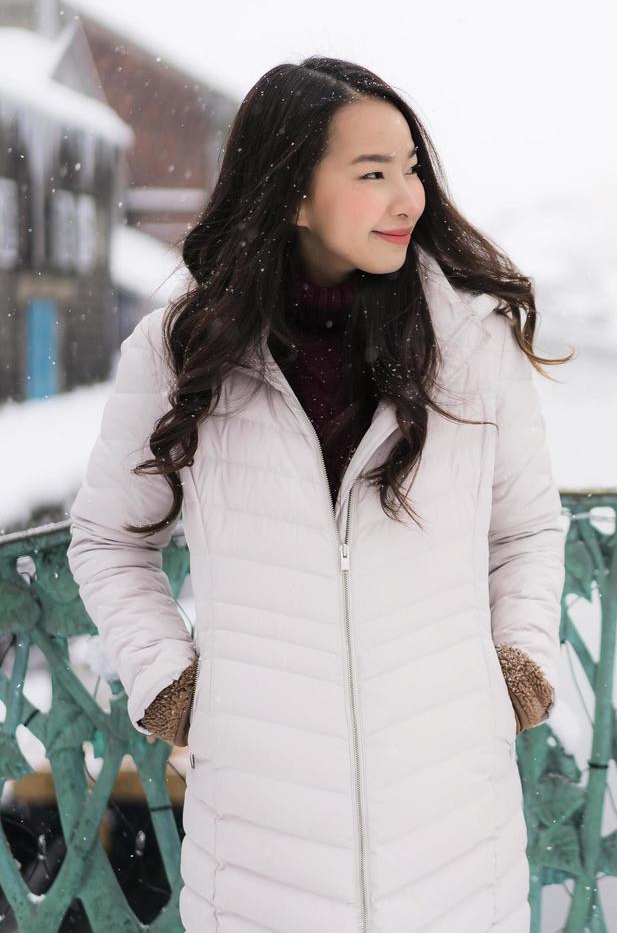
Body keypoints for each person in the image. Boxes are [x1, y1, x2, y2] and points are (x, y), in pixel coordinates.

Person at [66, 57, 572, 931]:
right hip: (262, 829)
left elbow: (525, 530)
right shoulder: (179, 352)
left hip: (453, 819)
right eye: (373, 174)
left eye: (411, 168)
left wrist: (518, 665)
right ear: (291, 193)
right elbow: (109, 540)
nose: (407, 198)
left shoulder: (469, 348)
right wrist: (171, 685)